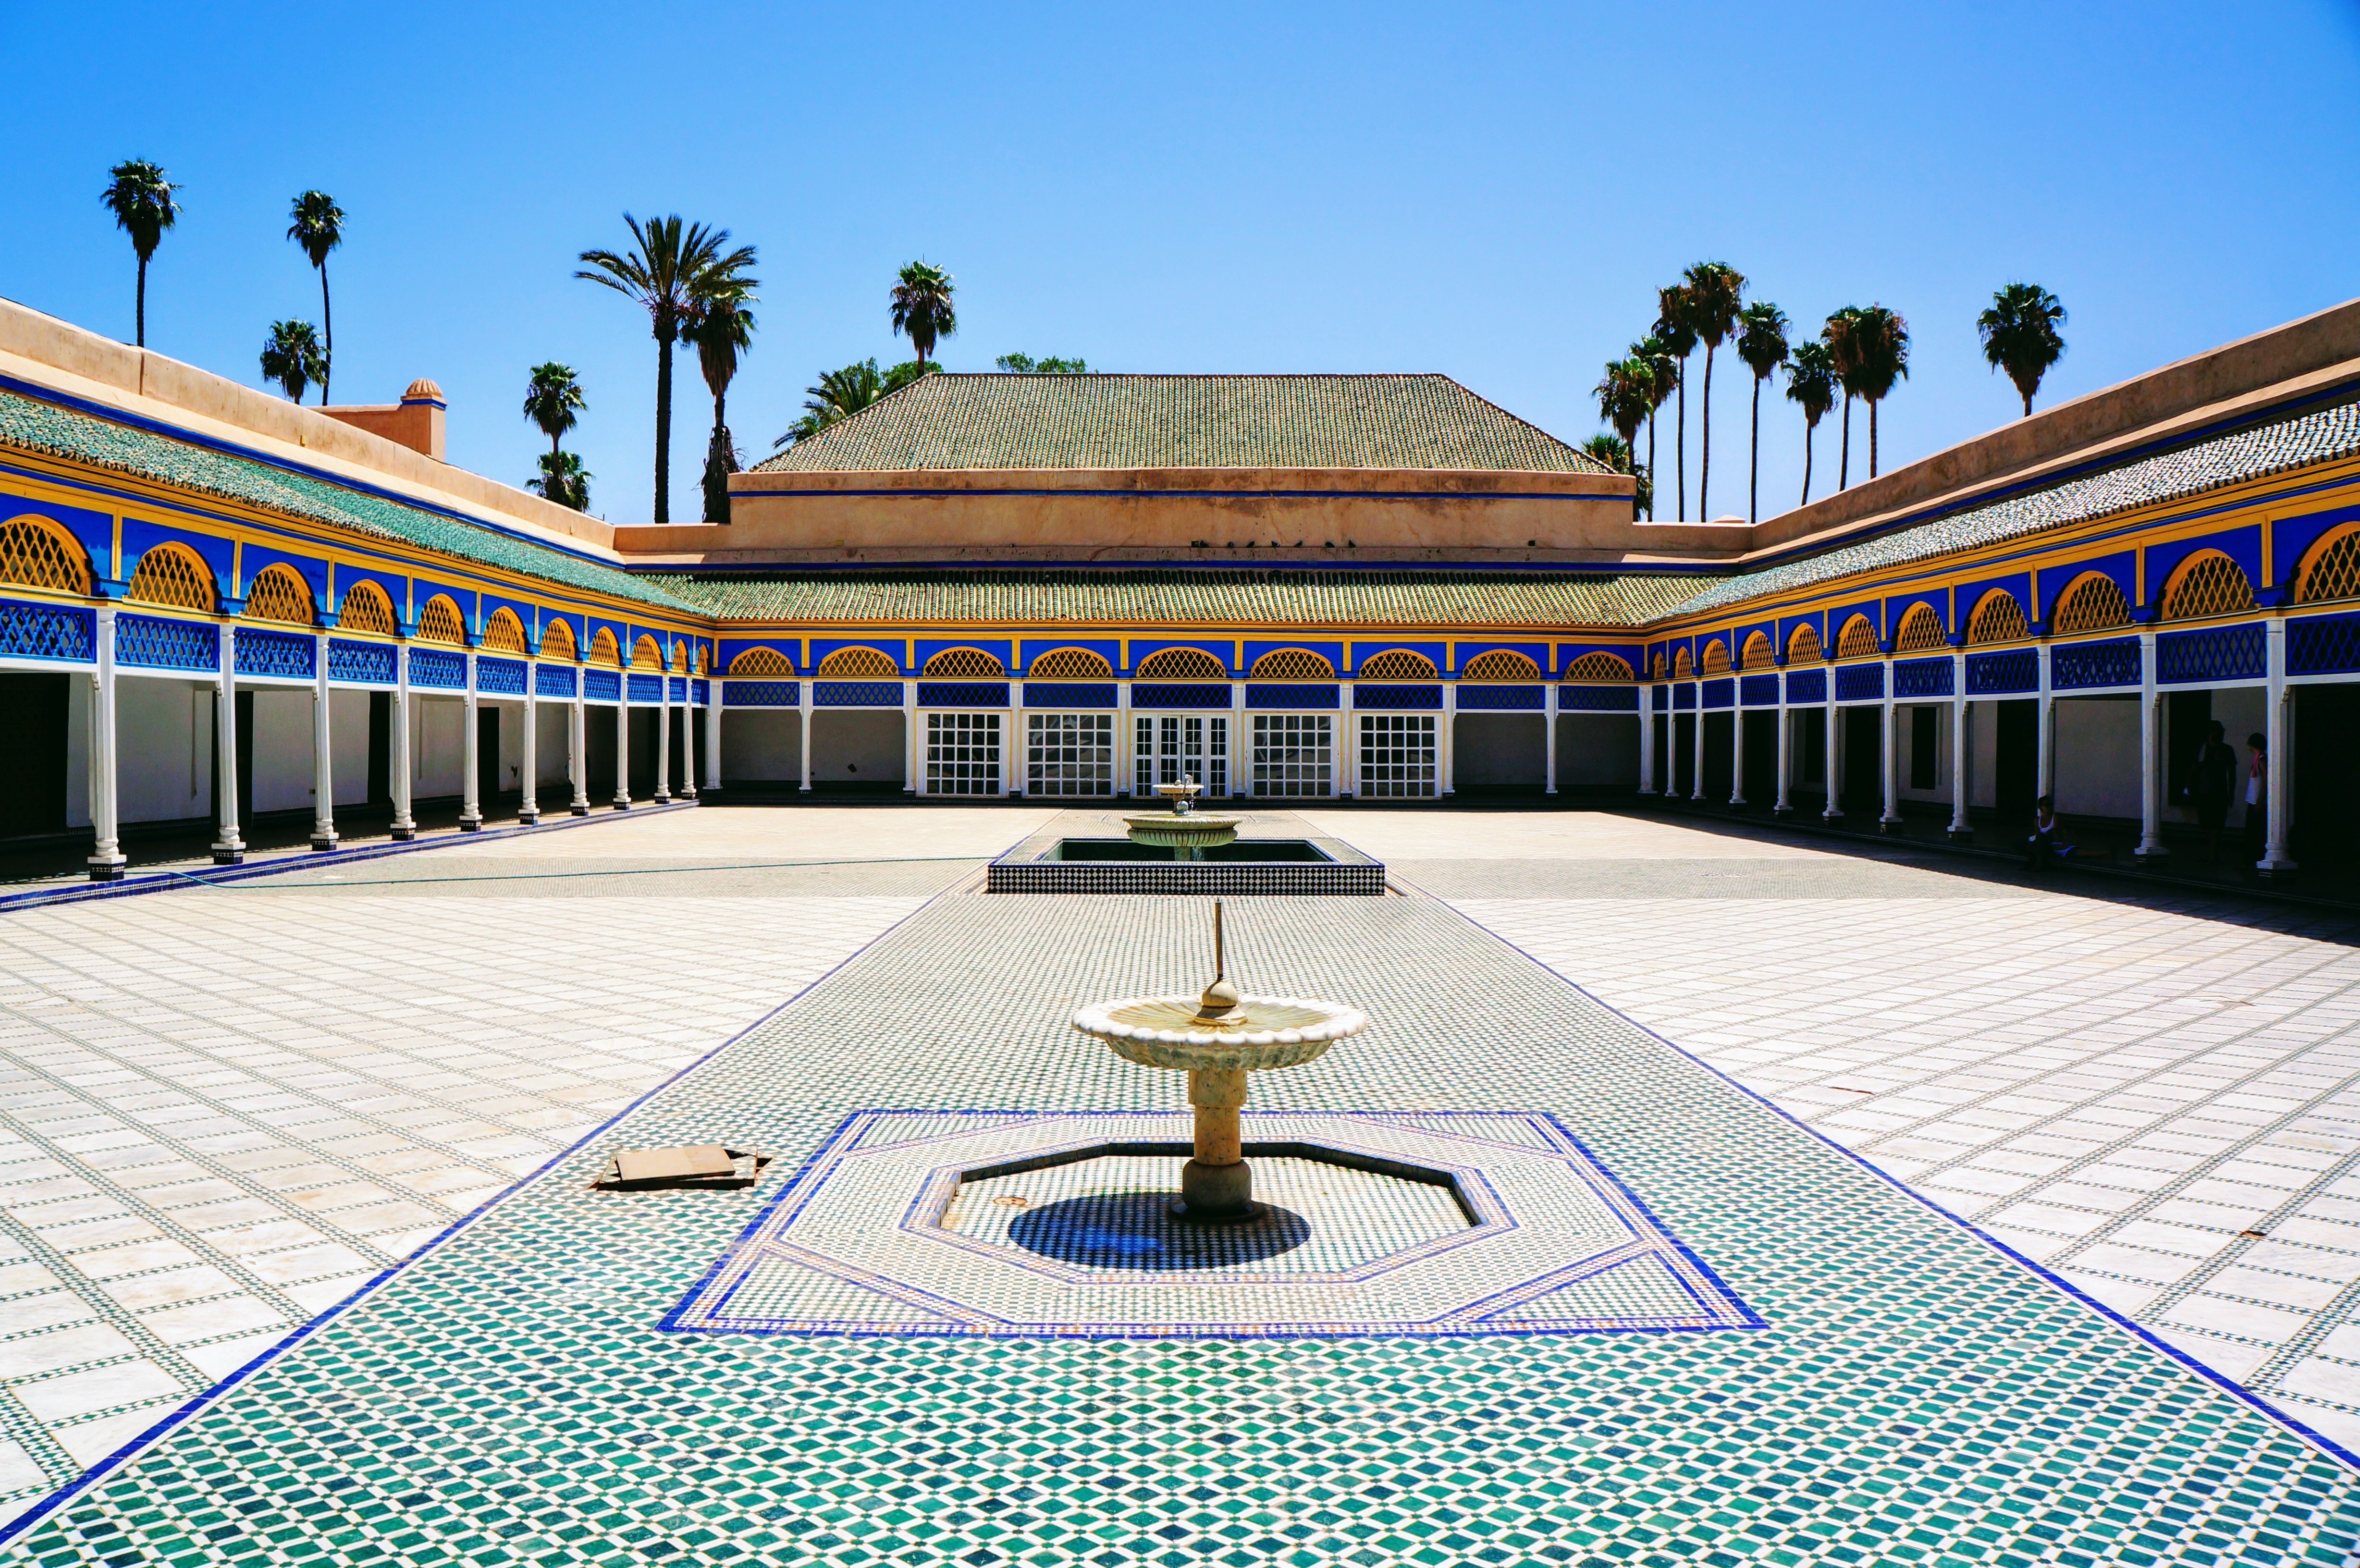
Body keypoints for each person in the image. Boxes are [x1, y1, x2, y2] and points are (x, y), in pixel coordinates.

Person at [2193, 720, 2237, 864]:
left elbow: (2232, 772)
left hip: (2219, 792)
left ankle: (2213, 854)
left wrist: (2231, 792)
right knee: (2206, 823)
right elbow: (2196, 769)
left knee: (2216, 824)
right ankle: (2212, 853)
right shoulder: (2203, 749)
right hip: (2204, 791)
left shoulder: (2226, 750)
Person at [2026, 795, 2075, 873]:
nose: (2049, 807)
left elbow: (2056, 836)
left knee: (2042, 840)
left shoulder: (2055, 818)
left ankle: (2038, 864)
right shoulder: (2037, 820)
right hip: (2042, 843)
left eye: (2051, 805)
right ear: (2041, 807)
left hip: (2052, 843)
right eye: (2047, 805)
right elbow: (2038, 835)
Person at [2244, 732, 2268, 864]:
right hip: (2253, 800)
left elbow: (2265, 780)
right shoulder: (2258, 759)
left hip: (2257, 801)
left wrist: (2260, 800)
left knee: (2255, 833)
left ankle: (2253, 860)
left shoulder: (2262, 760)